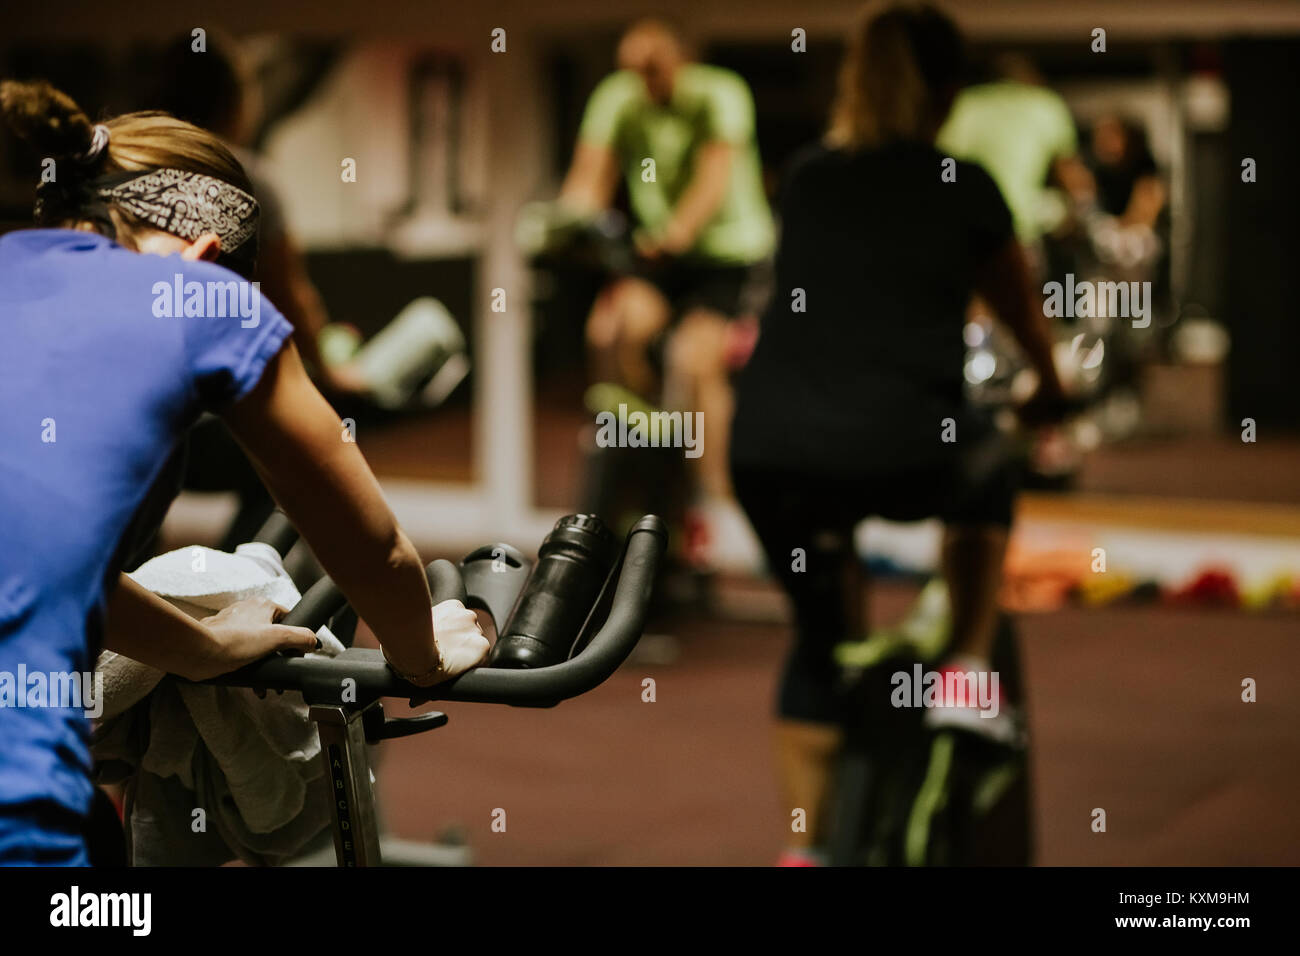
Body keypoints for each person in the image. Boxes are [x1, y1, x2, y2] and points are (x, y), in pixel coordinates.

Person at [0, 80, 489, 865]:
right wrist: (424, 653)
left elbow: (42, 562)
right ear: (201, 256)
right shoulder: (196, 295)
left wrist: (196, 649)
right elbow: (371, 547)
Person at [728, 2, 1068, 865]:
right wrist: (1051, 393)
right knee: (990, 463)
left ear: (854, 80)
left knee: (819, 641)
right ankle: (961, 667)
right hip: (903, 448)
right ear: (948, 90)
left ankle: (803, 854)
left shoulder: (806, 176)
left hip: (770, 453)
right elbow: (1026, 321)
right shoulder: (965, 184)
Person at [557, 18, 775, 503]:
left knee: (694, 363)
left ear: (679, 59)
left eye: (652, 69)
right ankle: (649, 465)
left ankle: (714, 500)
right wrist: (565, 224)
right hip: (658, 254)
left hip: (726, 252)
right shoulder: (620, 96)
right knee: (613, 331)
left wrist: (675, 233)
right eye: (633, 70)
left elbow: (713, 178)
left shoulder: (720, 92)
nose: (643, 81)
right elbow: (590, 174)